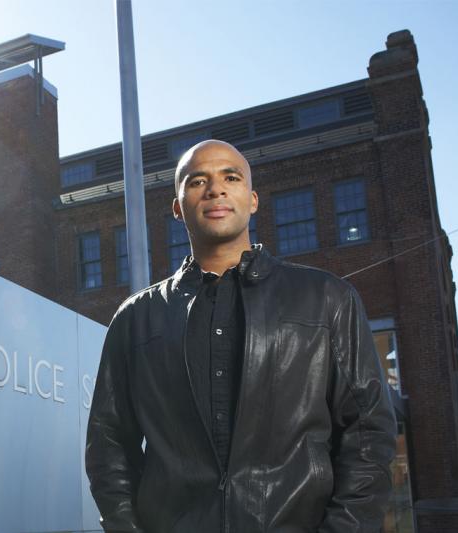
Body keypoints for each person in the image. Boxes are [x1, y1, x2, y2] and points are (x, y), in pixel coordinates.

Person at [85, 140, 397, 533]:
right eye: (198, 181)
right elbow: (108, 446)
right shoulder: (135, 319)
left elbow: (368, 432)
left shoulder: (327, 299)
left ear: (252, 200)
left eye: (230, 177)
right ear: (178, 207)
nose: (215, 189)